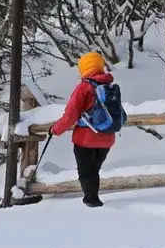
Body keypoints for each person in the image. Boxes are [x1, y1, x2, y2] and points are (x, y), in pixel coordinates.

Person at [51, 52, 126, 208]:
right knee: (93, 171)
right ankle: (93, 199)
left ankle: (92, 202)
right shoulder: (109, 86)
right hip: (107, 138)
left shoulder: (84, 87)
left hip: (86, 139)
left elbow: (71, 115)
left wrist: (55, 130)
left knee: (86, 172)